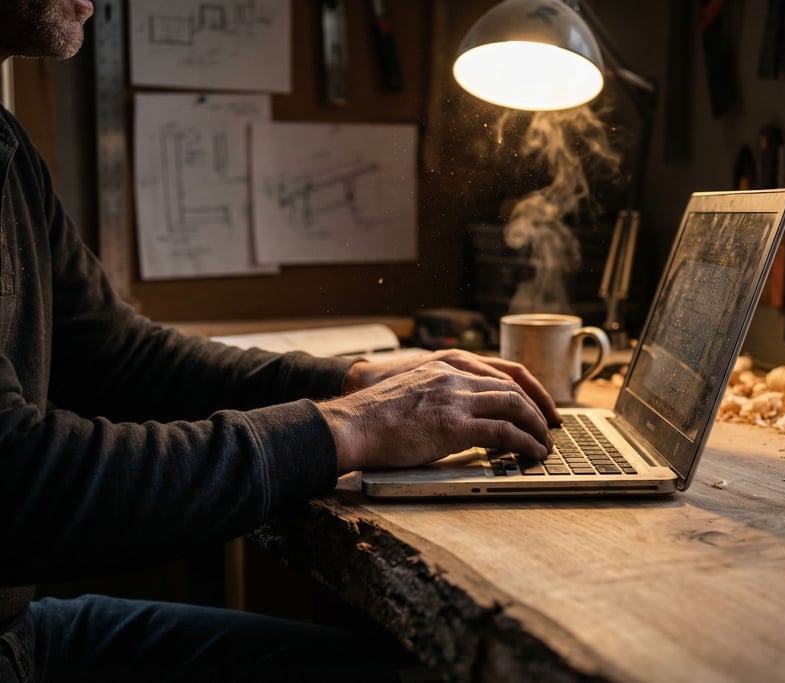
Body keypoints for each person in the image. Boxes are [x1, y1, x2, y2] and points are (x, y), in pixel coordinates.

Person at [0, 2, 560, 681]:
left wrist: (352, 382)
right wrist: (348, 429)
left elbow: (122, 358)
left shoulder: (7, 148)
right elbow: (20, 483)